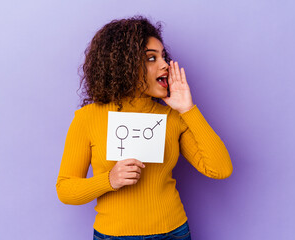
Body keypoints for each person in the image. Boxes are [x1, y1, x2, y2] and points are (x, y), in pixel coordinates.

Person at [56, 16, 233, 240]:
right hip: (113, 236)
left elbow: (220, 169)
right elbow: (65, 189)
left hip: (174, 233)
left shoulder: (173, 117)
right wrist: (109, 180)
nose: (165, 65)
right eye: (151, 58)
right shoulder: (88, 118)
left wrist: (188, 109)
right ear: (124, 64)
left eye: (163, 57)